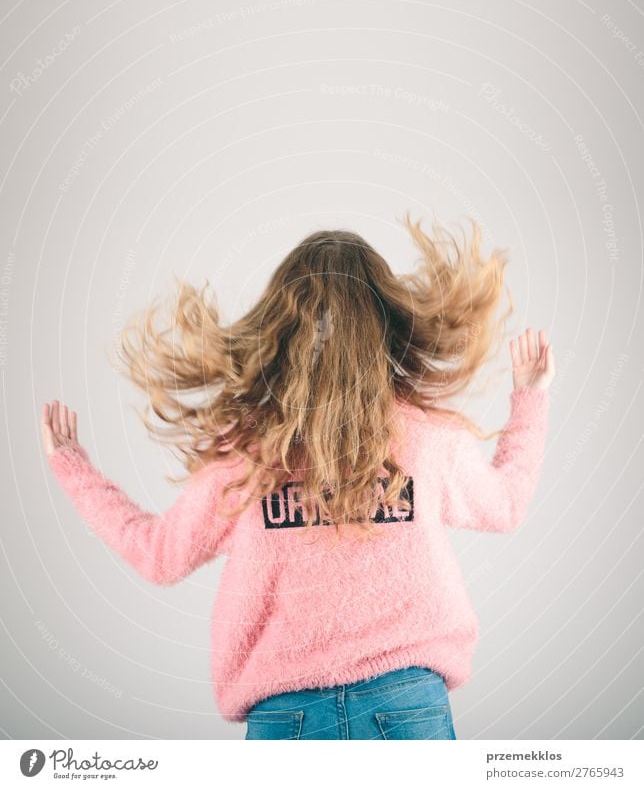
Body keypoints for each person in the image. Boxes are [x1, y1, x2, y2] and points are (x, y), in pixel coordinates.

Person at [41, 211, 554, 739]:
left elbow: (158, 554)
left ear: (279, 326)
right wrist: (531, 399)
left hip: (287, 718)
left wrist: (72, 467)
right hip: (407, 709)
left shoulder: (244, 450)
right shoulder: (427, 436)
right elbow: (506, 502)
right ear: (387, 321)